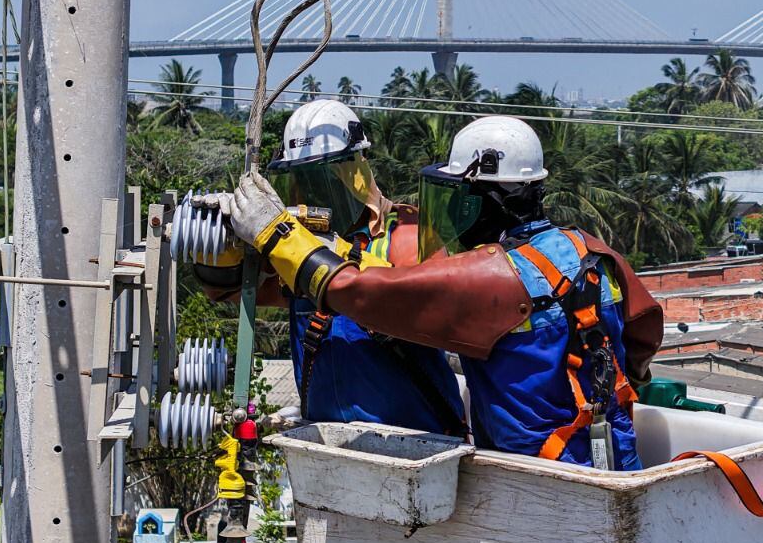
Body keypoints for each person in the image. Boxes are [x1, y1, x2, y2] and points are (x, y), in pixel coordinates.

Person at [222, 115, 663, 469]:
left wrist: (277, 234)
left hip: (544, 472)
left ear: (488, 200)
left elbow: (358, 294)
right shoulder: (587, 249)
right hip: (613, 456)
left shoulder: (492, 275)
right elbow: (645, 328)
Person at [195, 99, 466, 437]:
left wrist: (328, 252)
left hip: (415, 444)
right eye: (303, 180)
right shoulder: (293, 250)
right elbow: (231, 291)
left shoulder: (405, 236)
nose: (313, 193)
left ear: (354, 173)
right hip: (328, 447)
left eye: (325, 178)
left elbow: (427, 310)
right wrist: (222, 240)